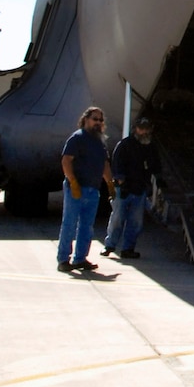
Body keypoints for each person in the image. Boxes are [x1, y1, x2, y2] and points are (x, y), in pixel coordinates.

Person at [57, 106, 116, 274]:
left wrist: (110, 184)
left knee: (87, 226)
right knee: (69, 224)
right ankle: (63, 259)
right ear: (85, 120)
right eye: (94, 119)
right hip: (76, 189)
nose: (97, 122)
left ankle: (80, 258)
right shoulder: (77, 138)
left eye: (100, 120)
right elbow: (66, 161)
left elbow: (104, 164)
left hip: (93, 189)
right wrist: (73, 182)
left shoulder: (99, 142)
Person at [104, 113, 157, 259]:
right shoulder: (125, 145)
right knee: (117, 218)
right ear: (135, 129)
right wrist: (121, 182)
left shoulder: (150, 147)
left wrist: (155, 180)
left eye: (146, 129)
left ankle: (128, 248)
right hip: (124, 189)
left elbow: (155, 165)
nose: (144, 132)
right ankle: (110, 245)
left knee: (136, 222)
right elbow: (117, 164)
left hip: (139, 189)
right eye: (141, 129)